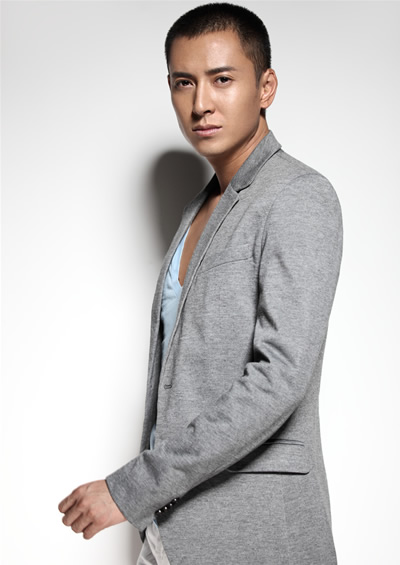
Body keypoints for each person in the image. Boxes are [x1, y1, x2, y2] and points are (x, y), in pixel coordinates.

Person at [59, 3, 343, 564]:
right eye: (183, 82)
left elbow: (278, 378)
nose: (200, 103)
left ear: (266, 87)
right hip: (173, 528)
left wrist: (131, 488)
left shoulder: (298, 196)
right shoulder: (199, 209)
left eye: (222, 79)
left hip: (257, 530)